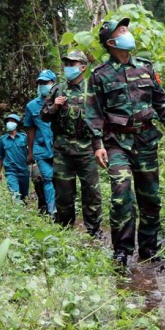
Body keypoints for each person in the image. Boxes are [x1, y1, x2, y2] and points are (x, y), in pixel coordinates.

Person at [85, 18, 165, 267]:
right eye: (122, 30)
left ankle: (149, 248)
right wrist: (97, 144)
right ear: (111, 42)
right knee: (121, 194)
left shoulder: (145, 68)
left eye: (126, 29)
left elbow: (162, 102)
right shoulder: (99, 75)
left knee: (150, 197)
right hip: (116, 143)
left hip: (146, 140)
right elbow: (94, 112)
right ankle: (122, 251)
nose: (127, 32)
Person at [41, 51, 103, 237]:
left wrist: (99, 146)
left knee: (91, 193)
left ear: (83, 67)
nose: (68, 66)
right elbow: (43, 115)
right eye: (66, 63)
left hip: (87, 150)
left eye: (72, 63)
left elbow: (100, 120)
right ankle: (64, 231)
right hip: (63, 151)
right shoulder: (57, 90)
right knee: (64, 193)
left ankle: (94, 232)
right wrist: (55, 107)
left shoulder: (92, 91)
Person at [24, 69, 57, 216]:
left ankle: (62, 209)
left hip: (60, 148)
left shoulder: (62, 101)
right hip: (42, 149)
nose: (42, 85)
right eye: (40, 83)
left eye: (45, 82)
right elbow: (30, 129)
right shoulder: (32, 106)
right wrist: (30, 152)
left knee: (61, 181)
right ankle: (52, 211)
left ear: (53, 83)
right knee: (47, 178)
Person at [0, 114, 30, 202]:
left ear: (17, 124)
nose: (10, 123)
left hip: (24, 170)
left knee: (24, 196)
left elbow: (31, 152)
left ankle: (23, 213)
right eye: (8, 121)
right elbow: (0, 156)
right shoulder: (3, 140)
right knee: (15, 194)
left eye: (12, 121)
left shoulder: (24, 138)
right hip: (11, 171)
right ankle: (17, 211)